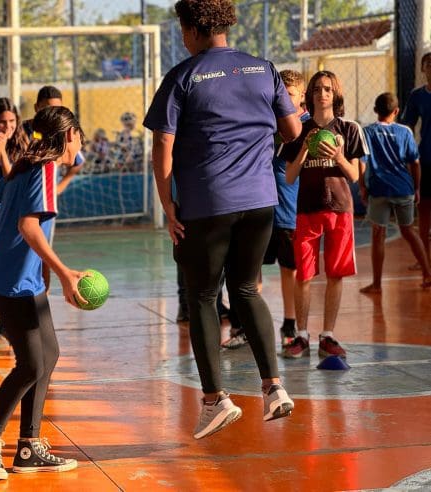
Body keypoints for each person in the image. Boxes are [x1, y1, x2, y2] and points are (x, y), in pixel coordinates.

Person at [144, 0, 300, 439]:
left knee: (203, 296)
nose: (181, 36)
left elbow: (163, 144)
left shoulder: (184, 76)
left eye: (181, 28)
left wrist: (166, 202)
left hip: (208, 203)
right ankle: (274, 388)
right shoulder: (263, 69)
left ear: (194, 28)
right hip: (260, 201)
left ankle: (214, 400)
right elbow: (291, 131)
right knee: (247, 288)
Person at [0, 105, 85, 480]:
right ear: (69, 136)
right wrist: (65, 273)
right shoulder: (46, 170)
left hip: (22, 281)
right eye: (78, 136)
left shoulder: (25, 166)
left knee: (47, 356)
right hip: (11, 283)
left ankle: (29, 446)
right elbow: (28, 226)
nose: (79, 144)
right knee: (31, 363)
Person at [280, 70, 367, 360]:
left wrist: (339, 156)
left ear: (335, 93)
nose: (322, 93)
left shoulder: (349, 129)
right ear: (310, 95)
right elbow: (290, 176)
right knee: (303, 274)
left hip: (340, 210)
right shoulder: (297, 131)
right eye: (317, 88)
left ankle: (328, 335)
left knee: (336, 273)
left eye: (328, 88)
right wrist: (305, 150)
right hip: (306, 210)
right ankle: (301, 335)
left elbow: (354, 175)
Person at [359, 92, 431, 292]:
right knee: (408, 230)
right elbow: (414, 163)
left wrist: (363, 187)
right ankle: (427, 273)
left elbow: (362, 164)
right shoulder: (405, 132)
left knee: (377, 234)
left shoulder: (367, 132)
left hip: (379, 189)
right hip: (404, 189)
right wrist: (416, 188)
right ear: (397, 111)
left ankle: (377, 284)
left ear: (375, 110)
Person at [260, 69, 311, 350]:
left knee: (288, 269)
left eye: (290, 94)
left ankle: (289, 323)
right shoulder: (270, 123)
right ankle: (245, 324)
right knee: (250, 266)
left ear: (302, 95)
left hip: (288, 210)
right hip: (260, 207)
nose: (284, 99)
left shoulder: (307, 127)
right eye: (280, 94)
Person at [22, 85, 84, 291]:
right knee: (29, 249)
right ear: (36, 107)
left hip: (44, 198)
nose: (52, 112)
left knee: (42, 250)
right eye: (47, 108)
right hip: (25, 196)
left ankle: (43, 295)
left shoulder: (59, 141)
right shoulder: (23, 133)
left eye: (58, 108)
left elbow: (78, 162)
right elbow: (27, 226)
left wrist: (60, 187)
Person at [0, 97, 29, 351]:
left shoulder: (22, 145)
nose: (7, 127)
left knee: (10, 275)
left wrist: (2, 152)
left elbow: (14, 178)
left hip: (12, 218)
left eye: (12, 121)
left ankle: (4, 329)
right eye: (2, 122)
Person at [401, 52, 431, 267]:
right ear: (423, 69)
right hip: (426, 159)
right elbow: (408, 126)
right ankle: (425, 260)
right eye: (428, 64)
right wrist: (408, 153)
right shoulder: (417, 96)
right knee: (424, 209)